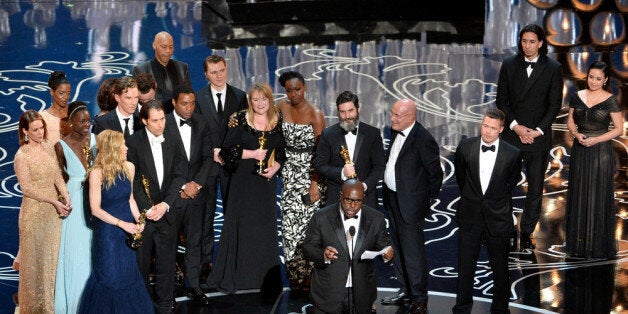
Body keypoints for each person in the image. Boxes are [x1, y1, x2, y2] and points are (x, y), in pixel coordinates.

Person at [208, 82, 285, 295]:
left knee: (264, 227)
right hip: (243, 181)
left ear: (270, 100)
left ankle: (263, 278)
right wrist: (251, 154)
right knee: (240, 224)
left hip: (266, 184)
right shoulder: (240, 120)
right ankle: (238, 277)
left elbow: (281, 152)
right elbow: (227, 152)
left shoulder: (277, 120)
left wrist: (275, 167)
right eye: (256, 99)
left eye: (264, 99)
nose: (260, 103)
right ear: (250, 101)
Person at [495, 23, 563, 251]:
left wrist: (537, 130)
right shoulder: (508, 64)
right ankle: (503, 227)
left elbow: (554, 104)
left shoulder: (553, 67)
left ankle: (527, 232)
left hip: (538, 137)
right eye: (524, 41)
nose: (527, 45)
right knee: (503, 185)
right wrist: (516, 127)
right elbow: (501, 100)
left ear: (541, 43)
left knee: (535, 188)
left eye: (532, 41)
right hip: (512, 136)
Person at [452, 108, 522, 314]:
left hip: (498, 218)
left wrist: (494, 200)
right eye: (485, 126)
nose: (488, 131)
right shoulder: (465, 147)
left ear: (501, 129)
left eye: (493, 128)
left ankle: (500, 310)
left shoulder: (512, 153)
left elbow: (511, 183)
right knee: (465, 268)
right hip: (470, 215)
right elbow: (461, 178)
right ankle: (462, 309)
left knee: (500, 269)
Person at [78, 130, 153, 313]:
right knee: (110, 276)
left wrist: (137, 219)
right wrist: (122, 224)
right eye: (122, 145)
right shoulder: (97, 173)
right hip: (108, 233)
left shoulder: (129, 167)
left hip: (127, 230)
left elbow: (130, 199)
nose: (126, 148)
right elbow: (96, 210)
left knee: (128, 274)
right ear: (112, 149)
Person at [381, 99, 443, 314]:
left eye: (398, 115)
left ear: (411, 117)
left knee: (413, 254)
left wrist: (421, 203)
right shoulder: (395, 130)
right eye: (392, 113)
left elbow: (436, 176)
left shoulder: (424, 140)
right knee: (397, 247)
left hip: (410, 205)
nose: (392, 118)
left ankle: (419, 298)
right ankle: (405, 290)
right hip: (392, 199)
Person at [126, 100, 186, 313]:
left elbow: (180, 174)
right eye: (155, 120)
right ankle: (142, 303)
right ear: (144, 121)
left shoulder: (173, 137)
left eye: (163, 119)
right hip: (145, 215)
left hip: (167, 212)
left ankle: (165, 304)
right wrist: (148, 208)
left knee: (167, 261)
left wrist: (166, 204)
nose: (161, 124)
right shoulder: (133, 143)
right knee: (141, 262)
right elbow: (132, 180)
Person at [303, 179, 393, 313]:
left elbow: (384, 247)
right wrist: (323, 254)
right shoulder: (321, 217)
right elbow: (308, 248)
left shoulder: (376, 218)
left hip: (361, 294)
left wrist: (388, 254)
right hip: (328, 293)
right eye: (348, 200)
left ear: (363, 198)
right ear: (340, 196)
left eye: (357, 201)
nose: (352, 205)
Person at [194, 54, 247, 281]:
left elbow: (245, 131)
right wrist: (211, 152)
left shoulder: (240, 97)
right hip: (207, 166)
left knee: (233, 214)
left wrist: (228, 153)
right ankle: (206, 264)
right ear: (206, 74)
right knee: (205, 217)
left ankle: (234, 262)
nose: (218, 75)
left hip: (231, 166)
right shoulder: (196, 98)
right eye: (213, 72)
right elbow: (195, 133)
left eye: (222, 70)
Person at [14, 110, 71, 313]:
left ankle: (51, 307)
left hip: (52, 215)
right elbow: (26, 188)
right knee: (35, 265)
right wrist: (52, 201)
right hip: (33, 214)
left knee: (52, 262)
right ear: (25, 131)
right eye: (35, 129)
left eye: (42, 128)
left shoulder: (48, 147)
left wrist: (65, 195)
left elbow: (57, 175)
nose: (40, 132)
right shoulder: (21, 156)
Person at [565, 61, 623, 259]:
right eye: (591, 77)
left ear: (605, 80)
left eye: (599, 79)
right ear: (587, 76)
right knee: (579, 193)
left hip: (601, 152)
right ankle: (579, 244)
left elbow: (618, 129)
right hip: (580, 150)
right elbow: (570, 119)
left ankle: (597, 245)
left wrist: (597, 139)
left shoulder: (611, 100)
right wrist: (575, 133)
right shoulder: (577, 96)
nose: (594, 81)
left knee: (597, 195)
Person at [163, 85, 213, 305]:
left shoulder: (202, 123)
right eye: (184, 103)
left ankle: (193, 286)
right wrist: (182, 186)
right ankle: (168, 293)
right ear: (174, 102)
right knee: (169, 244)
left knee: (195, 241)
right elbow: (161, 163)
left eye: (192, 103)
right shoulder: (162, 123)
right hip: (172, 196)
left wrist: (196, 184)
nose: (189, 108)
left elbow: (208, 158)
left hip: (196, 195)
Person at [277, 70, 326, 291]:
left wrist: (315, 182)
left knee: (308, 227)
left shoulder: (315, 114)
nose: (294, 94)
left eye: (297, 89)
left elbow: (322, 152)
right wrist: (236, 118)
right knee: (289, 229)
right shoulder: (281, 107)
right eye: (289, 90)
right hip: (289, 176)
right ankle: (295, 276)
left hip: (309, 177)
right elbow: (258, 115)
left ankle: (311, 276)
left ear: (305, 87)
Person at [53, 101, 95, 313]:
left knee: (92, 249)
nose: (87, 124)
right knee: (75, 252)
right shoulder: (60, 146)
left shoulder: (96, 140)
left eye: (89, 120)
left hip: (95, 199)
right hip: (75, 203)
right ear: (70, 122)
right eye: (82, 121)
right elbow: (59, 178)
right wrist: (63, 199)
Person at [314, 90, 385, 210]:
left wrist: (364, 186)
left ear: (358, 109)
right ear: (338, 112)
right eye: (342, 112)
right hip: (336, 199)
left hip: (366, 200)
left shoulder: (372, 134)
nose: (347, 116)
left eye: (350, 111)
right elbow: (320, 165)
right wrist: (341, 172)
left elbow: (379, 166)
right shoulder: (328, 134)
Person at [133, 31, 191, 114]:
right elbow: (136, 99)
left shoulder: (182, 68)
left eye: (171, 47)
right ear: (154, 45)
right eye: (164, 47)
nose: (168, 51)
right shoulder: (140, 70)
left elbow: (188, 94)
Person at [41, 70, 72, 143]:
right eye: (61, 93)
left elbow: (85, 139)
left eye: (68, 93)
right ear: (52, 92)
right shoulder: (43, 118)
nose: (66, 97)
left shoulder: (75, 112)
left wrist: (88, 154)